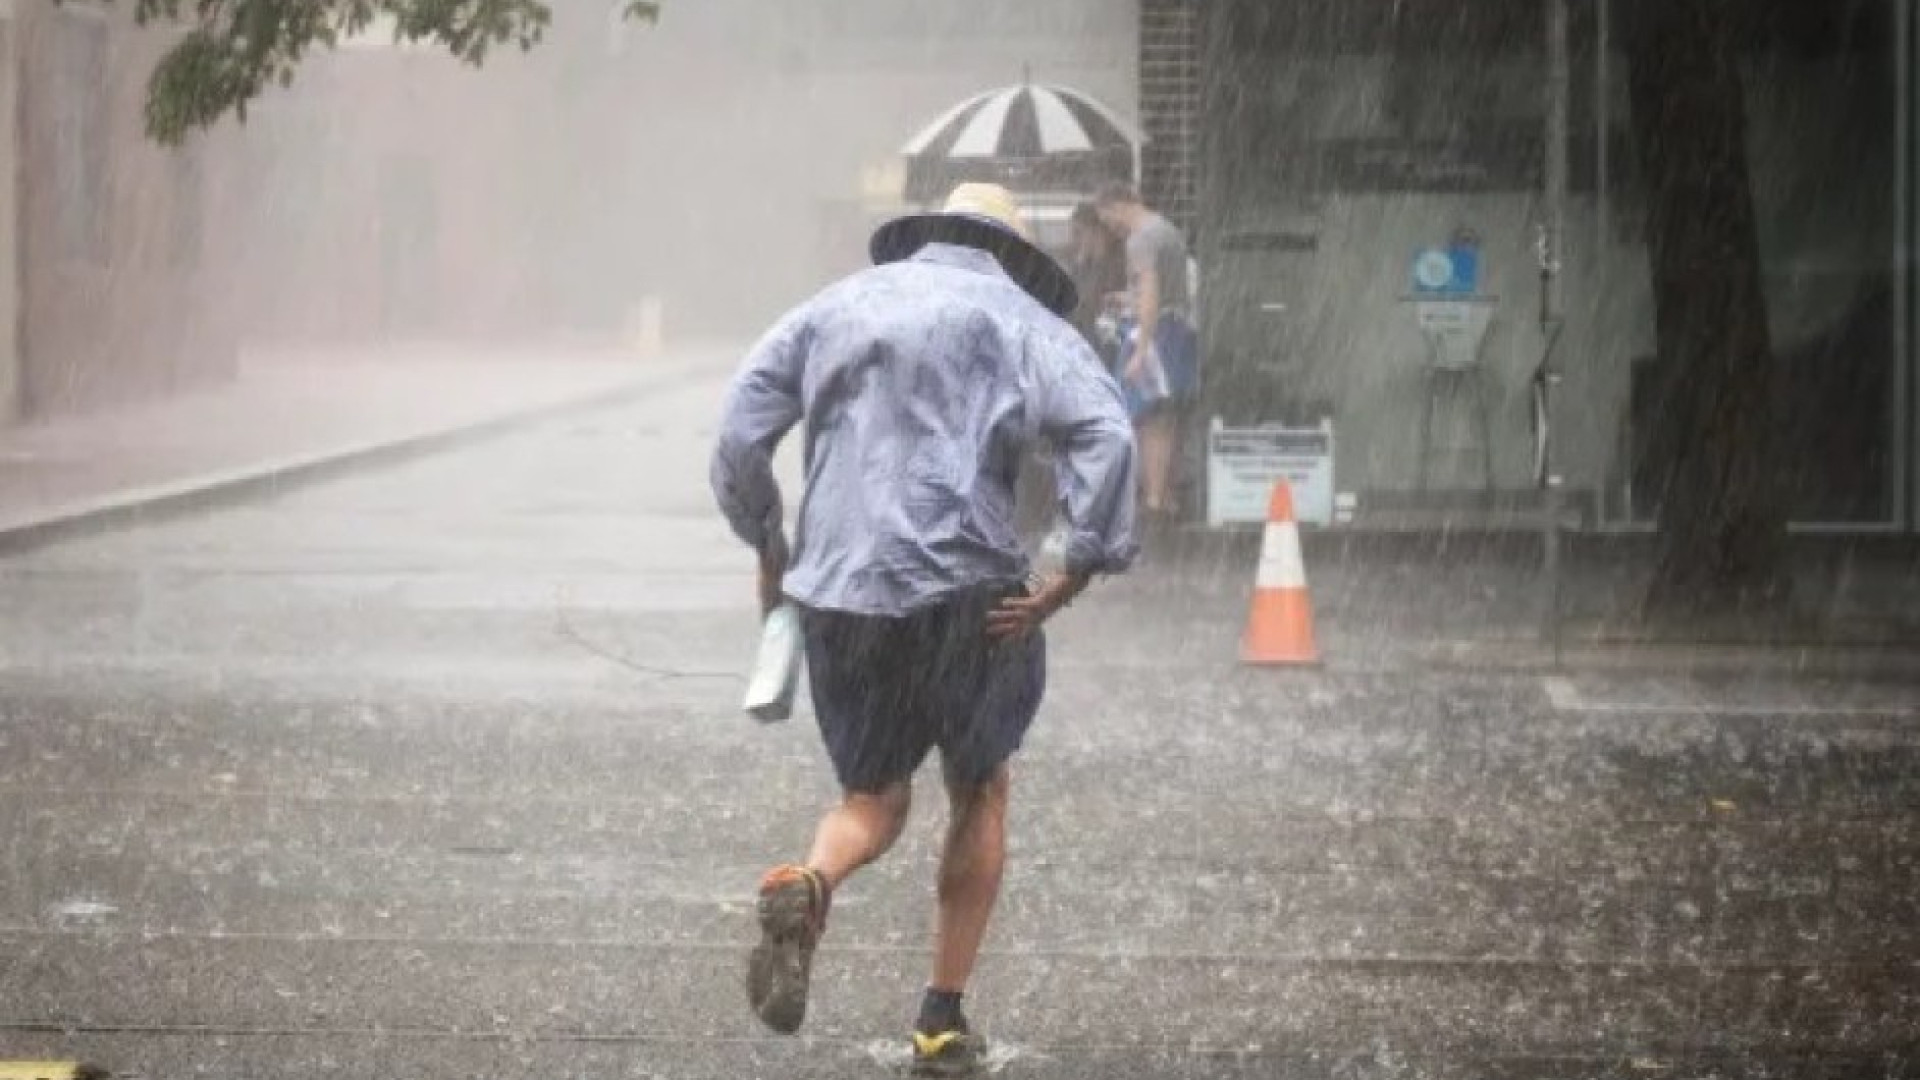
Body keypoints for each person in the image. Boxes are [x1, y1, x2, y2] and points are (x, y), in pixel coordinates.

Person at [709, 182, 1139, 1075]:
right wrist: (1074, 569)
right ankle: (940, 1020)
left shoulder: (833, 307)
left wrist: (768, 539)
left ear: (925, 236)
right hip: (970, 595)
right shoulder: (1027, 325)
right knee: (979, 787)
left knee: (872, 798)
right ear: (1014, 256)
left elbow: (739, 433)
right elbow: (1109, 435)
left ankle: (809, 881)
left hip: (843, 592)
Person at [1095, 182, 1199, 521]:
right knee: (1169, 416)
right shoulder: (1168, 230)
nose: (1110, 226)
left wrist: (1141, 348)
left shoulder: (1140, 239)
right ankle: (1166, 497)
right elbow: (1171, 290)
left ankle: (1152, 502)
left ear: (1119, 205)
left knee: (1149, 418)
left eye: (1107, 217)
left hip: (1154, 336)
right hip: (1177, 330)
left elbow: (1152, 291)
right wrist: (1128, 299)